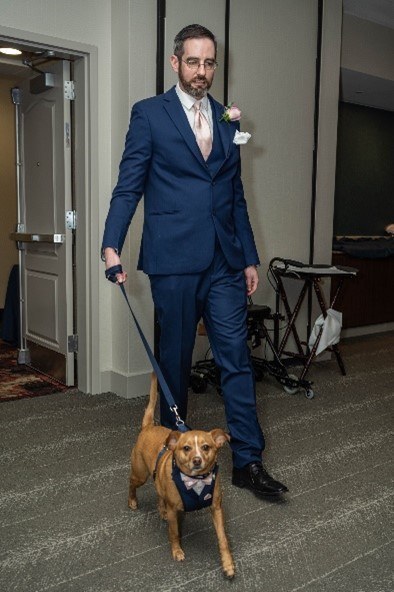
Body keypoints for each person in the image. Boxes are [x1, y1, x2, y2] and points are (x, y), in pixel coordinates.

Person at [102, 24, 288, 497]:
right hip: (173, 261)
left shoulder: (227, 120)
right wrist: (111, 244)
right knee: (175, 362)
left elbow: (234, 196)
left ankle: (248, 459)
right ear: (175, 62)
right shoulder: (149, 115)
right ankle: (174, 463)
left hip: (224, 263)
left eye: (209, 63)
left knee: (236, 360)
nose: (202, 72)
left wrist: (248, 257)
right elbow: (129, 186)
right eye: (193, 62)